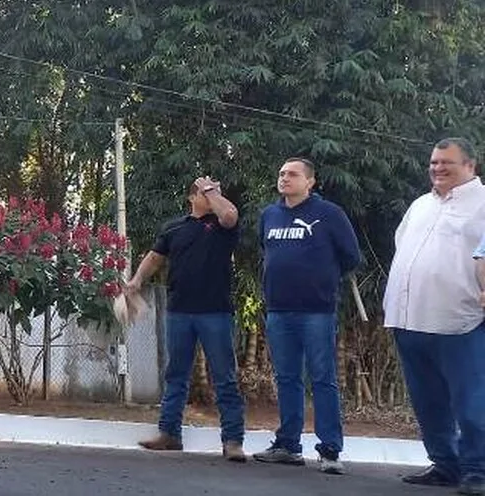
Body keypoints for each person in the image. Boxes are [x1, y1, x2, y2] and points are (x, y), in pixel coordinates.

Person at [383, 138, 485, 495]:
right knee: (427, 401)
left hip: (461, 321)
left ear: (471, 166)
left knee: (472, 401)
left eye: (447, 163)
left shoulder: (483, 204)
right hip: (409, 319)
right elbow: (403, 247)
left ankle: (478, 470)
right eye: (434, 163)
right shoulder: (420, 204)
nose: (437, 168)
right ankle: (445, 464)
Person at [126, 176, 246, 462]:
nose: (214, 196)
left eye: (216, 192)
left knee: (224, 377)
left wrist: (212, 191)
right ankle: (169, 434)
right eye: (206, 193)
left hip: (215, 312)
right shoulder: (174, 228)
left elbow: (229, 214)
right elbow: (154, 258)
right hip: (179, 311)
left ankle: (232, 441)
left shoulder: (222, 225)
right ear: (192, 198)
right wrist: (136, 280)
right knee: (176, 375)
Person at [253, 157, 360, 474]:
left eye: (293, 174)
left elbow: (351, 256)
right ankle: (288, 445)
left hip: (317, 310)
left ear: (310, 181)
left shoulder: (329, 214)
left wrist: (320, 279)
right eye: (281, 173)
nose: (285, 178)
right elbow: (266, 251)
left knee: (322, 379)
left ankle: (329, 450)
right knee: (286, 379)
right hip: (278, 311)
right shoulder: (269, 215)